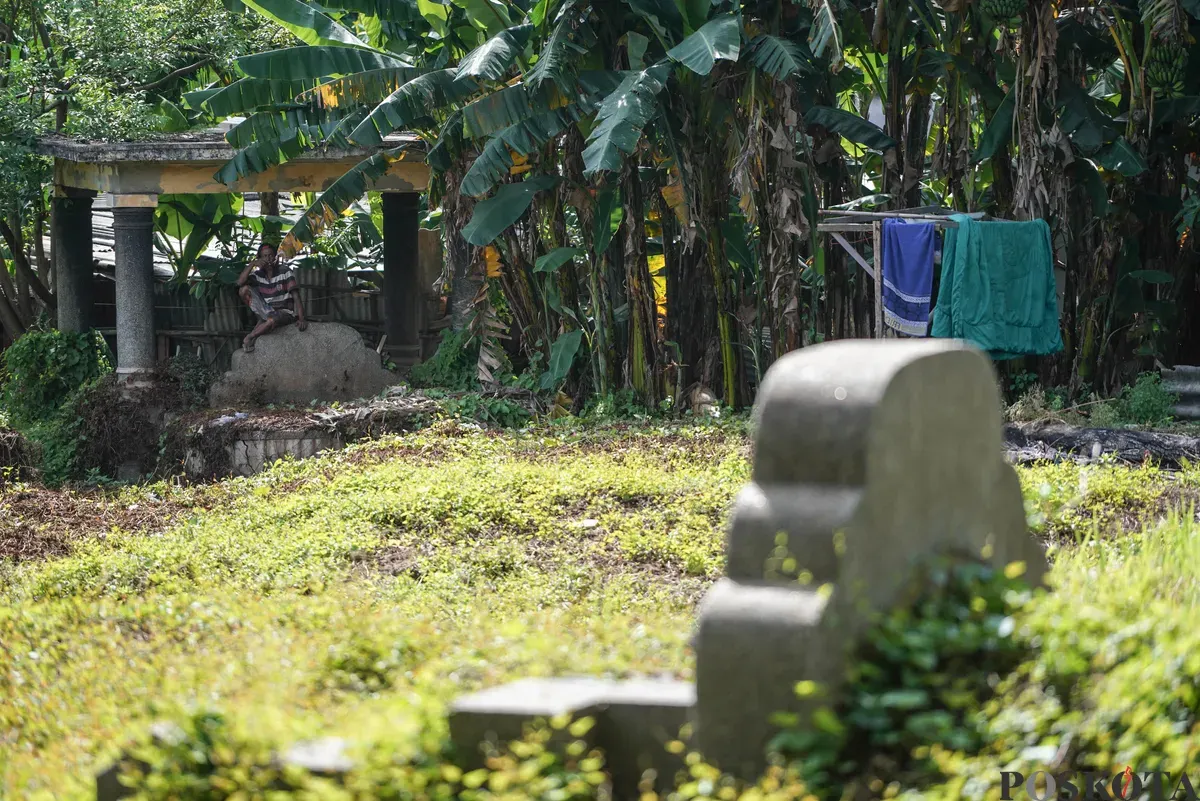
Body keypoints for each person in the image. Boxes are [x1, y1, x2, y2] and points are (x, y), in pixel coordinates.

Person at [236, 242, 308, 353]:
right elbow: (240, 282)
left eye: (270, 255)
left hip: (284, 312)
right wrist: (253, 264)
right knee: (243, 290)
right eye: (264, 256)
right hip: (267, 310)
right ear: (260, 258)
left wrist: (301, 318)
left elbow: (296, 296)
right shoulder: (258, 275)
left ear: (275, 256)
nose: (268, 259)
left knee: (271, 320)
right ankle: (261, 320)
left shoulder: (285, 271)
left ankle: (250, 336)